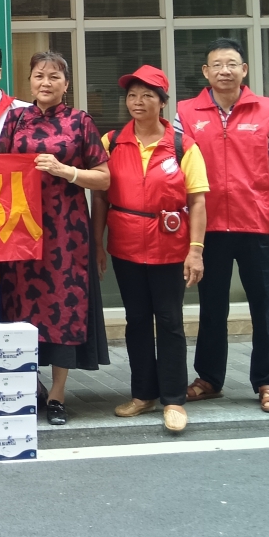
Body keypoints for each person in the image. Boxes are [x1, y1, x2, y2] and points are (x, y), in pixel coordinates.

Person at [0, 52, 111, 426]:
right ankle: (30, 386)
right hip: (22, 230)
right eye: (39, 76)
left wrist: (67, 171)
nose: (46, 82)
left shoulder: (80, 121)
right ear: (29, 81)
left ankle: (58, 394)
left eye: (54, 77)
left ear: (66, 84)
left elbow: (104, 178)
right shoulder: (15, 119)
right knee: (19, 305)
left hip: (66, 231)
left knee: (64, 304)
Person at [177, 37, 269, 415]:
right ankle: (209, 379)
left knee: (265, 309)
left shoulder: (267, 110)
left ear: (244, 70)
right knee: (212, 309)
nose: (224, 71)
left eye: (231, 64)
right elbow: (176, 170)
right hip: (208, 229)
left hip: (257, 226)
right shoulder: (185, 113)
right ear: (205, 72)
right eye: (217, 65)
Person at [93, 65, 208, 434]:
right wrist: (97, 244)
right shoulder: (112, 141)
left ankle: (173, 399)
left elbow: (198, 202)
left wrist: (195, 250)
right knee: (137, 321)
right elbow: (100, 198)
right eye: (132, 95)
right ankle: (143, 394)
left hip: (170, 248)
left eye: (147, 95)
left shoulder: (183, 145)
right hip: (125, 246)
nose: (137, 102)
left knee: (170, 321)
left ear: (162, 102)